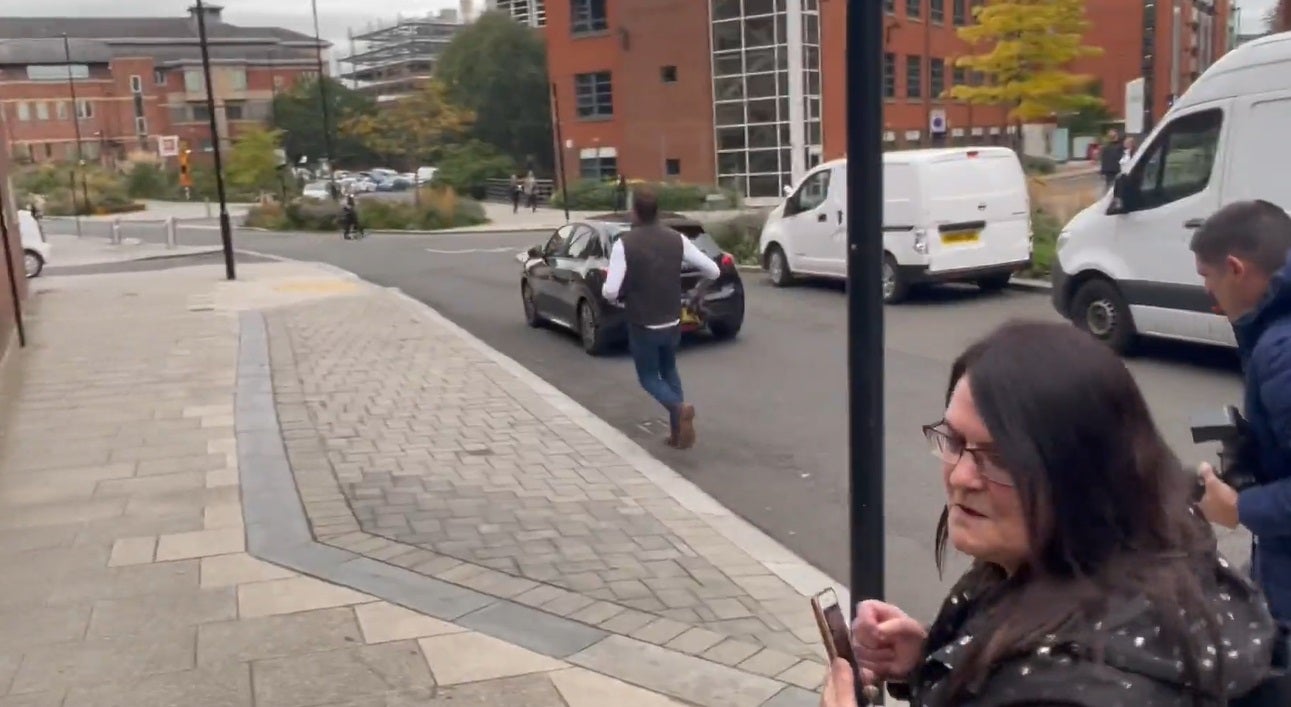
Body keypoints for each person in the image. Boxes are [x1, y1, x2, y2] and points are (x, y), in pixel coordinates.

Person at [821, 320, 1277, 707]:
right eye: (954, 442)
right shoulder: (1148, 554)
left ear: (1084, 475)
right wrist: (936, 660)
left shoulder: (1065, 688)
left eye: (999, 458)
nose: (960, 478)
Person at [1191, 200, 1291, 625]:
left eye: (1206, 276)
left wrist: (1240, 508)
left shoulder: (1282, 351)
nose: (1207, 292)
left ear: (1235, 268)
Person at [601, 188, 719, 449]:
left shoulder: (625, 244)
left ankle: (679, 410)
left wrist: (618, 299)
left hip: (643, 322)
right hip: (672, 319)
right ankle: (678, 434)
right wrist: (696, 292)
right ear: (657, 211)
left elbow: (610, 290)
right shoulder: (677, 239)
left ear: (635, 212)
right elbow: (713, 270)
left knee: (648, 377)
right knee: (669, 369)